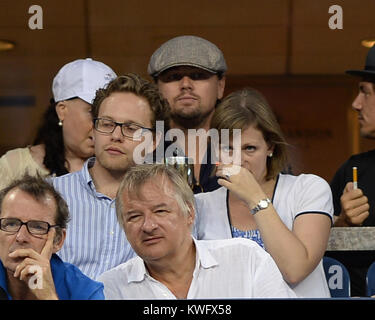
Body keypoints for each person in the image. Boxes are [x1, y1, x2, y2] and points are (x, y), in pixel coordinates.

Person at [193, 88, 333, 298]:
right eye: (228, 148)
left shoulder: (309, 188)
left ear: (270, 147)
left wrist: (254, 197)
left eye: (249, 148)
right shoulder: (200, 205)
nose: (238, 160)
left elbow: (294, 270)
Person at [98, 164, 296, 299]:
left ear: (190, 213)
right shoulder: (110, 288)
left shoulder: (246, 258)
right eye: (134, 216)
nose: (148, 226)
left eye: (160, 211)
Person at [52, 73, 171, 280]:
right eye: (107, 124)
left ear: (153, 141)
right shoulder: (50, 196)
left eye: (131, 128)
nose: (116, 136)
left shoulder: (171, 204)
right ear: (95, 130)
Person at [0, 58, 117, 190]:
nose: (101, 125)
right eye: (92, 112)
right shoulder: (15, 166)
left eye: (109, 117)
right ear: (62, 110)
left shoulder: (121, 170)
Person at [0, 174, 104, 300]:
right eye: (11, 224)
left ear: (58, 240)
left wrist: (47, 296)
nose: (21, 237)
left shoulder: (85, 291)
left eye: (37, 227)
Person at [148, 35, 226, 193]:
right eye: (173, 77)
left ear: (220, 86)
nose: (185, 85)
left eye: (197, 76)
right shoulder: (141, 147)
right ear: (155, 88)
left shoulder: (248, 144)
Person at [330, 45, 375, 297]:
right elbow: (313, 243)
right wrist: (342, 223)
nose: (356, 104)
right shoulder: (353, 169)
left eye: (365, 92)